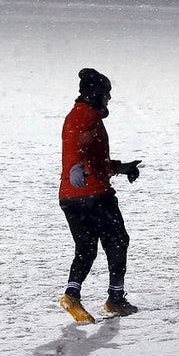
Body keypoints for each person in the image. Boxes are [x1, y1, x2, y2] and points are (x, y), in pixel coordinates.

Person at [58, 68, 142, 323]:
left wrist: (121, 167)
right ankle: (115, 299)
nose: (108, 98)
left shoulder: (84, 116)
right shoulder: (84, 117)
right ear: (94, 92)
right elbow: (76, 143)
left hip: (71, 196)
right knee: (117, 241)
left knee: (86, 248)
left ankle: (72, 295)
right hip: (94, 195)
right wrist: (76, 166)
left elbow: (93, 159)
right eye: (106, 92)